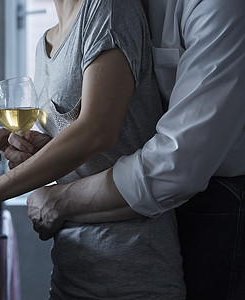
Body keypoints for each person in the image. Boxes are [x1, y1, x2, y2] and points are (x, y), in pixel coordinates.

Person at [0, 0, 186, 298]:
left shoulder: (107, 10)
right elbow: (81, 148)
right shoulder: (46, 42)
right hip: (71, 270)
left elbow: (97, 131)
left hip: (132, 272)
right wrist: (6, 138)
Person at [16, 0, 245, 299]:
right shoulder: (104, 11)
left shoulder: (216, 7)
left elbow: (178, 164)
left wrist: (57, 202)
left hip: (218, 205)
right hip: (137, 214)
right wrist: (48, 149)